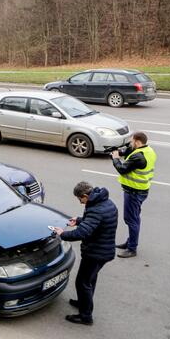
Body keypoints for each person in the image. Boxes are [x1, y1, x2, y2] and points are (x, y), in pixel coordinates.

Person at [53, 181, 117, 326]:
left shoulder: (95, 209)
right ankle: (83, 302)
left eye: (80, 199)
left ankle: (85, 316)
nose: (81, 203)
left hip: (96, 253)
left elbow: (83, 233)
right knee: (90, 279)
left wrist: (62, 234)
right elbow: (96, 222)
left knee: (82, 282)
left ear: (85, 196)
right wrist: (79, 220)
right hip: (104, 250)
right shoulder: (106, 202)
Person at [111, 131, 156, 258]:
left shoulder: (138, 157)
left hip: (133, 192)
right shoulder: (149, 151)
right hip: (142, 190)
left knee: (131, 220)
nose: (131, 144)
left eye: (132, 141)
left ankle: (132, 248)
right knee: (135, 218)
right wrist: (119, 151)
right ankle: (130, 242)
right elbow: (129, 151)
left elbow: (122, 169)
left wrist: (115, 158)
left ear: (137, 141)